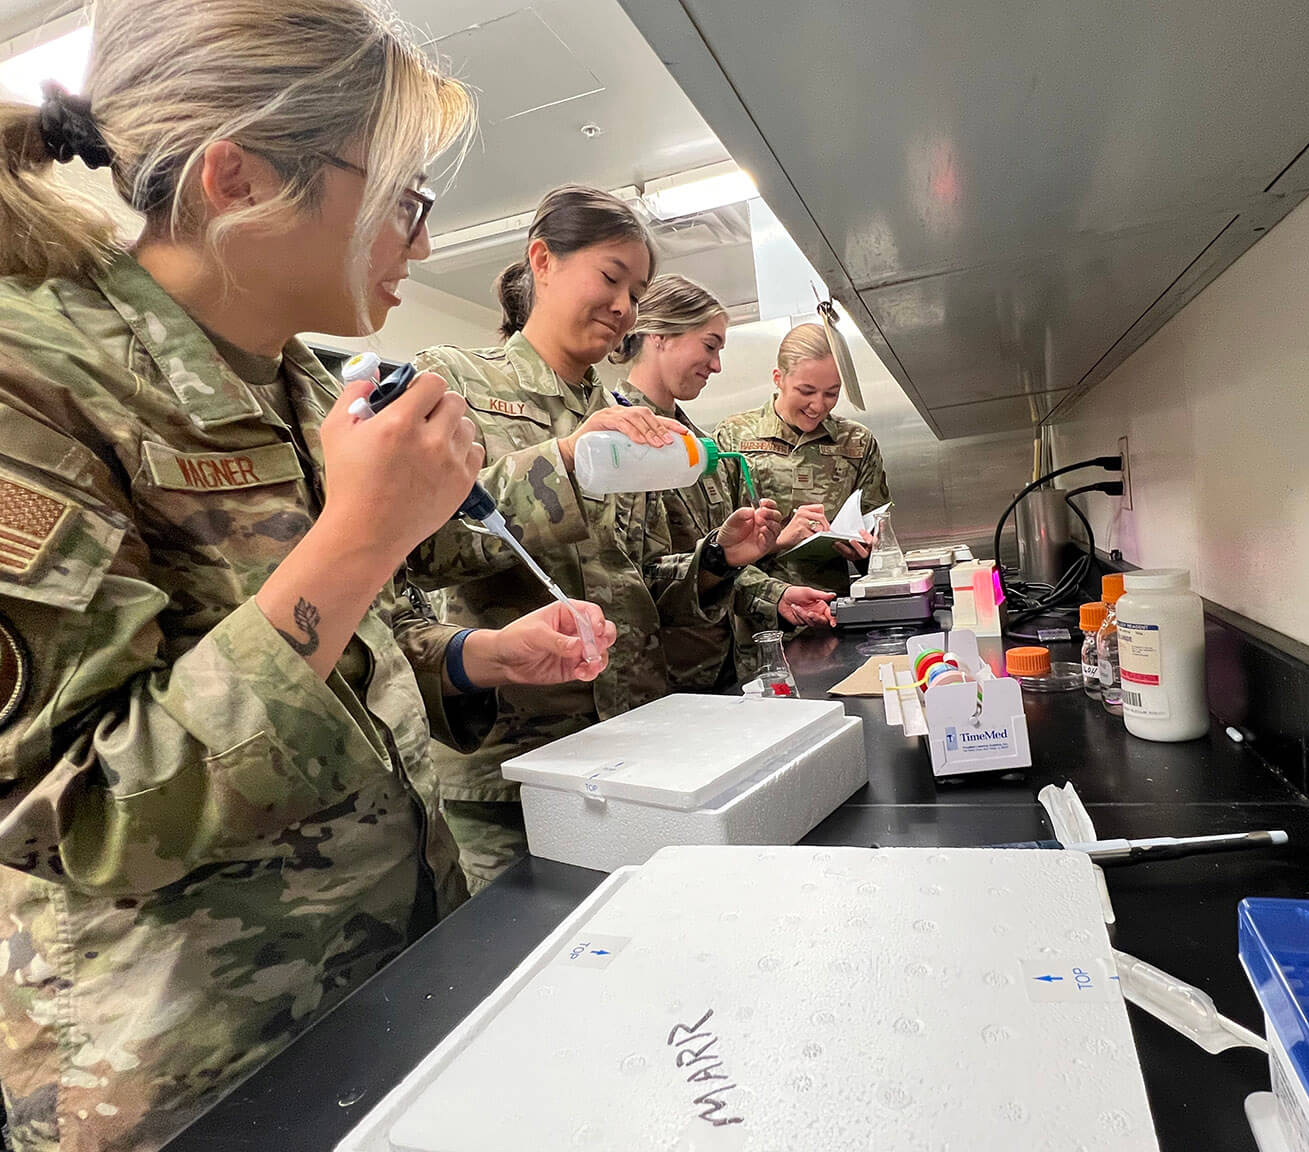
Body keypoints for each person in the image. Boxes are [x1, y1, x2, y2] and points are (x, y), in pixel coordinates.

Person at [0, 3, 616, 1148]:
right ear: (238, 180)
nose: (422, 244)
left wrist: (474, 657)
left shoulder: (289, 380)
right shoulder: (32, 382)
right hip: (199, 1068)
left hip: (379, 986)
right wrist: (364, 534)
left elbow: (317, 645)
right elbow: (72, 811)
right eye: (402, 200)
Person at [397, 187, 781, 891]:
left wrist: (716, 560)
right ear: (542, 261)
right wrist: (564, 461)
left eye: (635, 292)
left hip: (633, 754)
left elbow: (632, 576)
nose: (624, 307)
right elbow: (422, 549)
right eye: (610, 278)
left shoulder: (623, 416)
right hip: (515, 775)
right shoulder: (455, 383)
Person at [609, 274, 835, 691]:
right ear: (660, 335)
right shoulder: (613, 447)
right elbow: (626, 582)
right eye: (710, 346)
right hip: (659, 687)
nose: (716, 365)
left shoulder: (706, 451)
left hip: (726, 677)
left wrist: (778, 595)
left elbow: (727, 567)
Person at [713, 323, 890, 651]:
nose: (819, 405)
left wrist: (867, 553)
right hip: (756, 633)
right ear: (778, 378)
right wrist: (777, 541)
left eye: (831, 393)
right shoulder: (733, 438)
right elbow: (713, 553)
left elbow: (884, 547)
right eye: (806, 391)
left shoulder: (857, 443)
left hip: (835, 622)